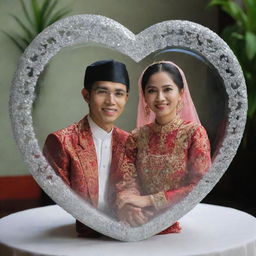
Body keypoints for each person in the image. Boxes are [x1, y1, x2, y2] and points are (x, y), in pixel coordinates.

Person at [115, 61, 211, 233]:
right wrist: (131, 206)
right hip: (139, 222)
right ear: (144, 96)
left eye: (167, 89)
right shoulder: (136, 137)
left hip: (181, 224)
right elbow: (127, 179)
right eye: (152, 91)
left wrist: (149, 200)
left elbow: (200, 186)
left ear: (181, 93)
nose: (160, 98)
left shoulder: (194, 134)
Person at [43, 59, 130, 237]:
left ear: (126, 99)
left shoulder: (130, 142)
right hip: (71, 235)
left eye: (119, 94)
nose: (111, 101)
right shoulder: (61, 142)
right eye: (102, 92)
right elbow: (51, 204)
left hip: (122, 234)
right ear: (86, 95)